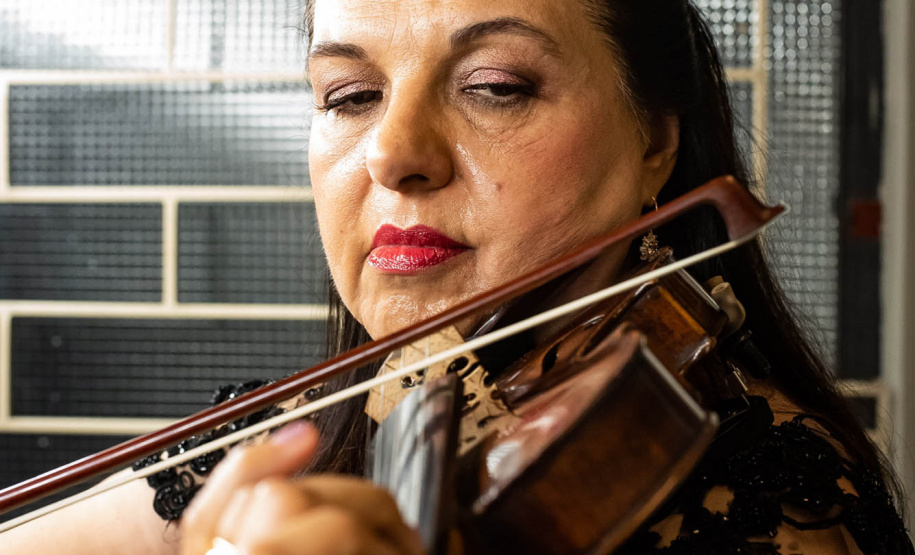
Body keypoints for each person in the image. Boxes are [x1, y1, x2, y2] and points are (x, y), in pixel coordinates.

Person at [2, 0, 913, 553]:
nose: (393, 154)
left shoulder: (763, 505)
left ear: (655, 142)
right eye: (349, 96)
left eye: (495, 84)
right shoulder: (339, 416)